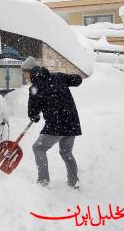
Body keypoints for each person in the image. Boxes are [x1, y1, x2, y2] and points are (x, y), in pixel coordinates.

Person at [21, 56, 82, 189]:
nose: (25, 77)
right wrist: (73, 79)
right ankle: (74, 181)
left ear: (30, 72)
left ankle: (43, 181)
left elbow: (33, 114)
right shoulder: (58, 76)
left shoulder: (35, 88)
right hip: (72, 123)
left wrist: (34, 116)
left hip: (56, 125)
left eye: (25, 74)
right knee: (67, 153)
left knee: (38, 148)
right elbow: (77, 80)